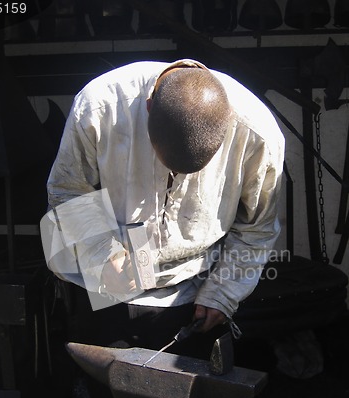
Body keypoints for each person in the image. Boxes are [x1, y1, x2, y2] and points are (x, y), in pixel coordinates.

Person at [41, 58, 285, 360]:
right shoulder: (99, 107)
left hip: (193, 295)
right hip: (100, 292)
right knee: (103, 396)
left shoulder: (256, 134)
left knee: (183, 396)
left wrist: (222, 293)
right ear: (147, 108)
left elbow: (256, 227)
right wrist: (101, 252)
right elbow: (68, 191)